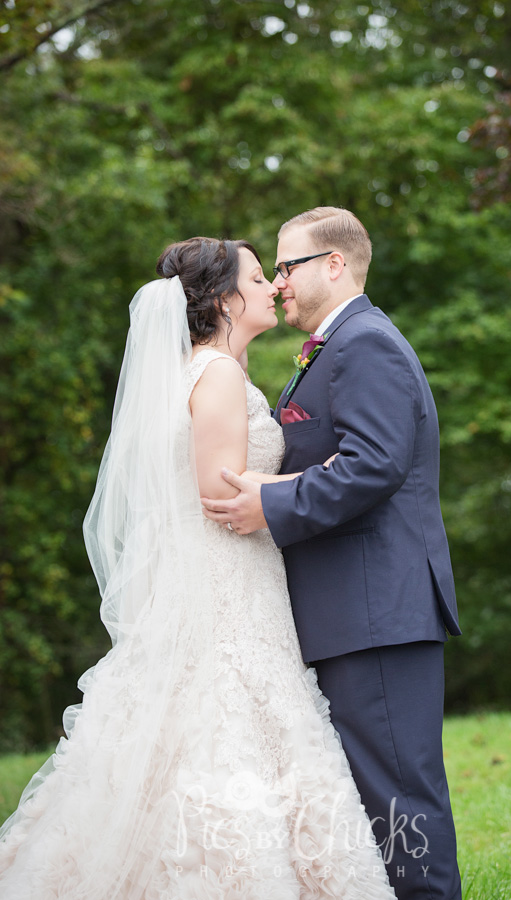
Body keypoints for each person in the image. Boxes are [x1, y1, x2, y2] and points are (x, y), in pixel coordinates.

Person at [0, 236, 396, 899]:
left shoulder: (205, 371)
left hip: (231, 576)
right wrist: (329, 474)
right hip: (226, 582)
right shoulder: (215, 374)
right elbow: (221, 494)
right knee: (228, 722)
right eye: (258, 276)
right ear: (223, 300)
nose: (273, 285)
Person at [201, 208, 463, 899]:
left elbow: (374, 466)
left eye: (287, 266)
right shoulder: (335, 346)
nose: (278, 282)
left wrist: (271, 504)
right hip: (354, 610)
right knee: (372, 798)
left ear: (335, 264)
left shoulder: (363, 344)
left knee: (400, 796)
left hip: (375, 608)